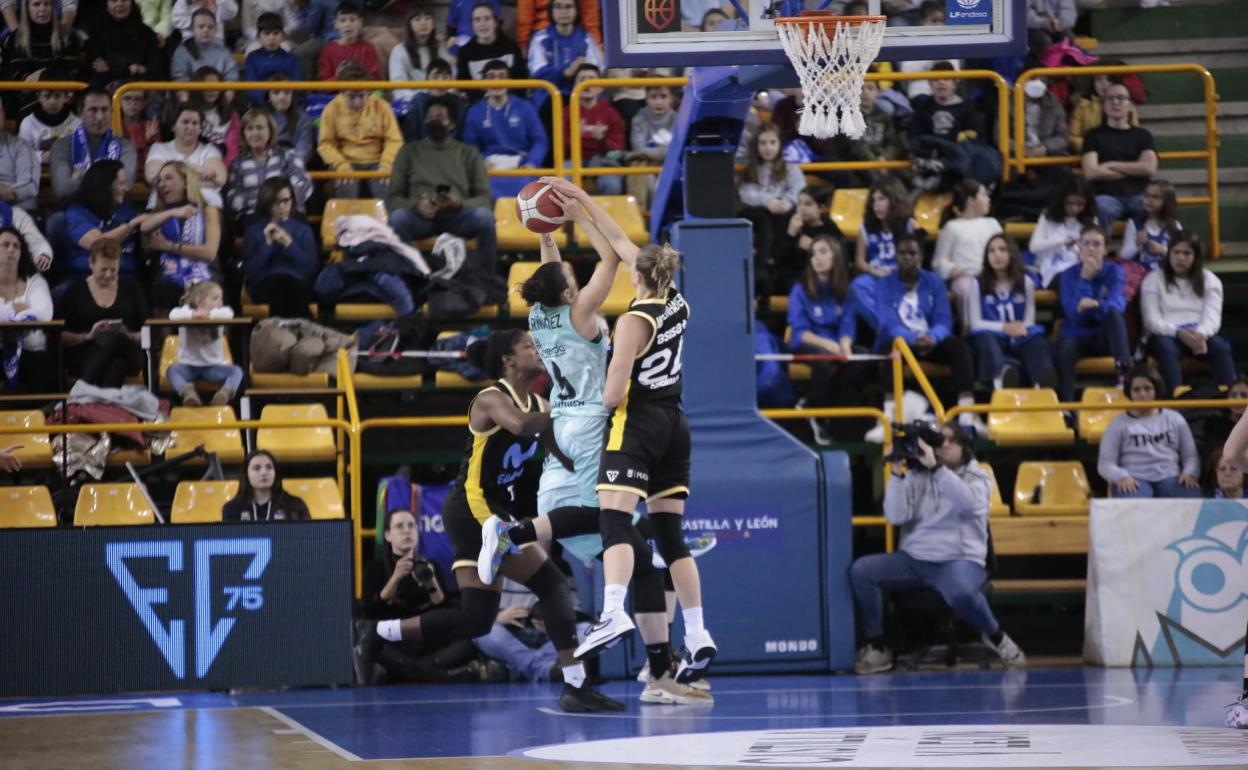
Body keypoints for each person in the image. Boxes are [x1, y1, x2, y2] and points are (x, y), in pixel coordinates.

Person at [482, 191, 709, 703]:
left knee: (630, 541)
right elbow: (611, 255)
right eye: (570, 279)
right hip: (592, 422)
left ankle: (658, 668)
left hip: (562, 426)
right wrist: (579, 211)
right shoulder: (585, 312)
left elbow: (555, 269)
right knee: (619, 532)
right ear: (568, 292)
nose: (574, 278)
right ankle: (656, 666)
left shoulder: (541, 317)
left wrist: (546, 229)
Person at [358, 329, 625, 712]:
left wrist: (592, 471)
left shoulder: (536, 403)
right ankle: (575, 686)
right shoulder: (490, 399)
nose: (536, 350)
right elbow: (520, 425)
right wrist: (574, 409)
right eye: (528, 346)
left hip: (496, 510)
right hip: (473, 510)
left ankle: (378, 631)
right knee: (549, 582)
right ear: (508, 359)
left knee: (477, 620)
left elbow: (560, 450)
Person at [850, 424, 1026, 674]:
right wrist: (898, 475)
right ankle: (877, 645)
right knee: (862, 571)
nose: (942, 446)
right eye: (937, 442)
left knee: (962, 592)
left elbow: (967, 505)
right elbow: (896, 516)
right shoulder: (916, 475)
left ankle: (995, 636)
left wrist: (937, 469)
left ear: (965, 448)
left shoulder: (979, 477)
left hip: (959, 560)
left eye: (949, 441)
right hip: (914, 559)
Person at [361, 509, 502, 683]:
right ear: (388, 535)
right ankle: (448, 674)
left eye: (411, 526)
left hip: (425, 640)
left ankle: (412, 670)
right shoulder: (374, 567)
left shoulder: (428, 565)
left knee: (470, 640)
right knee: (372, 645)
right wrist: (395, 578)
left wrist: (431, 584)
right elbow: (371, 611)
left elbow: (442, 611)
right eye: (399, 526)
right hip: (394, 639)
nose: (407, 531)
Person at [876, 231, 983, 434]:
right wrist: (913, 338)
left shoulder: (934, 282)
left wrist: (933, 336)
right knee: (887, 350)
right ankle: (888, 417)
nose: (907, 257)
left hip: (932, 340)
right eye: (902, 253)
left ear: (921, 257)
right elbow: (887, 322)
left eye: (912, 253)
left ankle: (968, 414)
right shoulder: (884, 284)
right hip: (903, 342)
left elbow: (944, 318)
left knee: (959, 347)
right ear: (895, 256)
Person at [386, 96, 497, 273]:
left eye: (439, 117)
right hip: (421, 218)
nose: (433, 121)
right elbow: (393, 198)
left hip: (457, 217)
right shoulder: (408, 152)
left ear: (452, 124)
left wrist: (459, 203)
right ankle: (411, 276)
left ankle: (486, 278)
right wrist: (415, 206)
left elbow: (484, 198)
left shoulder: (469, 153)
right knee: (397, 219)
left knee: (485, 218)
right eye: (429, 117)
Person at [1140, 232, 1233, 397]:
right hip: (1167, 334)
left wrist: (1200, 334)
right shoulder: (1153, 279)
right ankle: (1175, 402)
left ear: (1196, 256)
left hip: (1200, 334)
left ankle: (1229, 401)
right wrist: (1178, 332)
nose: (1180, 258)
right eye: (1176, 252)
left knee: (1220, 347)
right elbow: (1151, 321)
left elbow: (1213, 317)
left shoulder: (1210, 280)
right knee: (1165, 348)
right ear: (1169, 253)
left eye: (1187, 253)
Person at [788, 235, 860, 446]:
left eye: (822, 252)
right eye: (813, 254)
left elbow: (847, 324)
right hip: (808, 342)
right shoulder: (799, 289)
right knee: (822, 360)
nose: (816, 258)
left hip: (836, 343)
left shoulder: (846, 290)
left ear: (835, 257)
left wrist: (845, 345)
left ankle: (823, 404)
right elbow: (800, 331)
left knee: (861, 358)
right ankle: (817, 414)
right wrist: (831, 346)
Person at [966, 234, 1057, 390]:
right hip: (993, 335)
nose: (997, 255)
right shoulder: (977, 283)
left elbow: (1029, 319)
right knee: (985, 339)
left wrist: (1019, 329)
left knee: (1036, 340)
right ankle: (1000, 378)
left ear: (1012, 253)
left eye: (1002, 250)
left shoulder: (1026, 282)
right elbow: (975, 323)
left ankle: (1042, 384)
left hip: (1019, 335)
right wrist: (1004, 327)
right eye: (992, 251)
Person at [1097, 364, 1201, 499]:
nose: (1142, 394)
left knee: (1192, 499)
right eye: (1136, 390)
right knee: (1134, 505)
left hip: (1171, 478)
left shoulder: (1175, 419)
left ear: (1156, 390)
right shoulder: (1117, 424)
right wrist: (1121, 477)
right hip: (1133, 480)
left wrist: (1190, 473)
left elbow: (1190, 456)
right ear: (1130, 393)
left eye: (1147, 388)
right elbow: (1105, 463)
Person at [58, 237, 148, 388]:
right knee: (117, 365)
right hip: (85, 353)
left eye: (113, 270)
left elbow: (149, 333)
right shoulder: (75, 291)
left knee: (115, 338)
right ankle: (101, 406)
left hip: (129, 349)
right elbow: (59, 335)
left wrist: (128, 334)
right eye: (103, 269)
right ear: (91, 264)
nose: (108, 275)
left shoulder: (132, 288)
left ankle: (81, 389)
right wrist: (88, 336)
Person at [1055, 224, 1132, 402]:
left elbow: (1118, 305)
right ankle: (1066, 407)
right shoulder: (1067, 275)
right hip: (1077, 335)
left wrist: (1096, 305)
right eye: (1086, 243)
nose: (1090, 248)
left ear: (1105, 249)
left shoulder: (1115, 271)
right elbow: (1074, 316)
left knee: (1114, 315)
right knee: (1066, 348)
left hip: (1105, 335)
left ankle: (1123, 377)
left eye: (1096, 244)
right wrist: (1085, 279)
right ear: (1079, 248)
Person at [142, 160, 222, 314]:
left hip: (204, 272)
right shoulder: (157, 215)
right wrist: (172, 212)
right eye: (159, 180)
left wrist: (170, 247)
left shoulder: (208, 211)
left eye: (168, 178)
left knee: (210, 291)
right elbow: (145, 227)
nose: (161, 184)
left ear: (186, 182)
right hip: (169, 273)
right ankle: (164, 339)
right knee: (162, 289)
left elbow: (209, 253)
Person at [461, 58, 548, 199]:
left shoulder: (525, 107)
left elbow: (540, 140)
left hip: (521, 164)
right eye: (491, 77)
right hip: (491, 167)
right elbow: (471, 147)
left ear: (510, 81)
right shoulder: (474, 111)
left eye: (502, 76)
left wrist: (532, 162)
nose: (497, 81)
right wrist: (481, 162)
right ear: (483, 83)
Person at [317, 62, 403, 199]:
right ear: (342, 92)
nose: (357, 102)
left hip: (378, 162)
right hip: (345, 162)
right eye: (351, 97)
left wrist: (386, 164)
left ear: (369, 92)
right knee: (347, 192)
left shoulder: (382, 106)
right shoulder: (331, 108)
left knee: (386, 192)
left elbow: (394, 140)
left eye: (362, 96)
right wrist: (341, 165)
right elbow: (325, 144)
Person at [739, 123, 805, 297]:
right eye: (763, 143)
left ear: (779, 144)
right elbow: (746, 192)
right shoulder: (752, 167)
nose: (768, 148)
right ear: (757, 145)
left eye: (772, 143)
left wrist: (787, 202)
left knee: (790, 217)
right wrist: (767, 201)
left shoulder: (790, 168)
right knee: (762, 218)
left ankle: (779, 265)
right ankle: (762, 266)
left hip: (783, 210)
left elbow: (799, 189)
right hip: (759, 212)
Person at [1081, 81, 1157, 229]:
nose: (1115, 102)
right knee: (1102, 208)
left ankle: (1146, 251)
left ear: (1129, 105)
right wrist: (1134, 169)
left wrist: (1111, 165)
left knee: (1153, 205)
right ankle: (1100, 250)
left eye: (1121, 98)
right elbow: (1091, 172)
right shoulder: (1093, 135)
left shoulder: (1143, 135)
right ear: (1103, 106)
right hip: (1105, 196)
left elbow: (1149, 168)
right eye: (1110, 98)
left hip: (1139, 195)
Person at [241, 177, 317, 318]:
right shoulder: (254, 231)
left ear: (292, 200)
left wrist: (289, 244)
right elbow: (250, 272)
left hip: (296, 283)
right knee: (282, 286)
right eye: (276, 202)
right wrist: (268, 244)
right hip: (265, 284)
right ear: (266, 202)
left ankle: (278, 334)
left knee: (288, 287)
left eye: (286, 201)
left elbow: (309, 269)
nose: (282, 206)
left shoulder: (303, 230)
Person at [61, 159, 145, 284]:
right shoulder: (77, 213)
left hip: (126, 280)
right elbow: (98, 244)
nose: (126, 188)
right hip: (83, 280)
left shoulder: (128, 211)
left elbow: (148, 222)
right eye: (121, 184)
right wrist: (130, 225)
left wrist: (172, 213)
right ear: (105, 186)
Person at [932, 179, 1003, 325]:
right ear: (971, 200)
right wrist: (952, 269)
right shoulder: (952, 227)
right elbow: (938, 261)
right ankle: (971, 327)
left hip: (992, 275)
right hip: (966, 278)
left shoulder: (992, 224)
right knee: (969, 290)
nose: (988, 199)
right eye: (983, 195)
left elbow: (1005, 251)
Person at [225, 109, 313, 226]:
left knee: (295, 224)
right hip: (253, 215)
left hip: (286, 212)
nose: (255, 133)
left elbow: (304, 185)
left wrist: (280, 204)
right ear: (244, 133)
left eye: (260, 128)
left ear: (270, 131)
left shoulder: (287, 156)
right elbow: (233, 198)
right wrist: (266, 202)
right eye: (250, 129)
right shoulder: (237, 164)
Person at [0, 0, 87, 115]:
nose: (42, 9)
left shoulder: (68, 37)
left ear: (53, 8)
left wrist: (43, 75)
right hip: (26, 99)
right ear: (27, 9)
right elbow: (11, 74)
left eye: (47, 4)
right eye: (36, 4)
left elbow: (74, 71)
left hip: (62, 97)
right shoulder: (14, 38)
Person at [49, 89, 137, 204]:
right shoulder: (61, 146)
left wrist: (79, 176)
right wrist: (109, 179)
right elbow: (63, 189)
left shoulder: (126, 147)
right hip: (73, 209)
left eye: (105, 110)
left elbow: (125, 185)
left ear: (112, 112)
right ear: (80, 112)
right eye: (93, 110)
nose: (100, 117)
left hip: (114, 210)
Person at [850, 176, 914, 332]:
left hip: (901, 276)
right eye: (874, 200)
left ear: (895, 199)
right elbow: (860, 261)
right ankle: (888, 328)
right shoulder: (867, 227)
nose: (876, 205)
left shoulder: (909, 225)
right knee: (857, 286)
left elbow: (915, 258)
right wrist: (874, 271)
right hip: (875, 277)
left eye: (882, 199)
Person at [166, 280, 241, 405]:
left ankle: (223, 394)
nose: (220, 303)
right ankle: (188, 393)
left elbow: (229, 314)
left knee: (236, 371)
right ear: (200, 301)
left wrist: (208, 315)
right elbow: (172, 314)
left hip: (213, 367)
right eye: (215, 299)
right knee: (171, 370)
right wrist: (193, 315)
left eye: (221, 299)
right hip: (188, 367)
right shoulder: (185, 312)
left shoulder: (220, 313)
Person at [0, 227, 54, 392]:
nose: (11, 250)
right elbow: (34, 313)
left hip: (32, 353)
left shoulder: (35, 281)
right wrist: (19, 308)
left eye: (16, 246)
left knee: (43, 367)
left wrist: (5, 312)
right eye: (5, 245)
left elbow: (45, 313)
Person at [145, 105, 227, 209]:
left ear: (200, 128)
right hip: (164, 209)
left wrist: (172, 178)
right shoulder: (158, 149)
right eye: (185, 122)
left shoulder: (210, 150)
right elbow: (152, 177)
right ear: (173, 126)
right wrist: (199, 171)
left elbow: (220, 179)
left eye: (195, 123)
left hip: (205, 209)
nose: (190, 127)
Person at [564, 63, 625, 196]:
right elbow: (559, 149)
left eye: (591, 79)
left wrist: (602, 140)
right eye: (582, 79)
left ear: (600, 87)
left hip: (603, 161)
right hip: (574, 161)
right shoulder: (565, 113)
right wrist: (575, 138)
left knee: (612, 184)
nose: (587, 84)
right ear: (575, 86)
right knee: (563, 180)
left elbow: (618, 148)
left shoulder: (611, 113)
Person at [1029, 175, 1098, 289]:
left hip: (1081, 266)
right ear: (1061, 200)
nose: (1074, 209)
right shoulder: (1048, 216)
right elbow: (1033, 246)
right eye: (1069, 203)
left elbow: (1095, 247)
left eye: (1080, 204)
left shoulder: (1091, 219)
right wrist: (1062, 242)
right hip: (1053, 269)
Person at [526, 0, 604, 96]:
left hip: (581, 93)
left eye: (568, 6)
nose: (563, 11)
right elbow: (537, 72)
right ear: (551, 11)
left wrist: (582, 70)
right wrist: (565, 72)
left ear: (576, 10)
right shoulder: (540, 38)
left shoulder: (586, 38)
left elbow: (596, 70)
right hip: (548, 95)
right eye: (558, 7)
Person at [84, 0, 166, 89]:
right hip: (105, 89)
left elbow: (155, 71)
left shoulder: (146, 33)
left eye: (124, 0)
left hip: (141, 89)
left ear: (132, 3)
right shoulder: (96, 31)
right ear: (107, 4)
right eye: (114, 1)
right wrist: (132, 69)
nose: (120, 4)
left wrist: (112, 67)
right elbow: (97, 70)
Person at [222, 449, 311, 520]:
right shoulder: (232, 509)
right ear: (246, 474)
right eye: (257, 468)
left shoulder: (294, 505)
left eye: (269, 467)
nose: (264, 472)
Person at [389, 5, 452, 105]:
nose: (423, 23)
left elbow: (451, 79)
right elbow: (398, 86)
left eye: (428, 18)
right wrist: (422, 97)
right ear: (409, 24)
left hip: (440, 99)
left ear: (433, 24)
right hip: (412, 102)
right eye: (417, 19)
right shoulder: (399, 51)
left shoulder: (441, 48)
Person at [626, 85, 676, 209]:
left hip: (671, 163)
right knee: (644, 173)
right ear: (646, 99)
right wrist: (665, 151)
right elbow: (638, 148)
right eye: (653, 97)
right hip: (647, 163)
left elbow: (677, 150)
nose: (658, 101)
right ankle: (642, 218)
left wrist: (656, 152)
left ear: (671, 99)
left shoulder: (679, 118)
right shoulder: (638, 119)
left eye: (663, 97)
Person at [1069, 66, 1139, 154]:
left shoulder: (1128, 106)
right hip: (1091, 157)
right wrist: (1096, 148)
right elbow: (1073, 138)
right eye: (1099, 79)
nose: (1104, 84)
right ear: (1092, 82)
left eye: (1109, 79)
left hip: (1122, 156)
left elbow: (1135, 136)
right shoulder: (1083, 106)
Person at [455, 2, 526, 82]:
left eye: (487, 18)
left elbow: (521, 81)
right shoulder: (464, 52)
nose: (482, 24)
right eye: (477, 20)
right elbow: (464, 87)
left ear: (495, 23)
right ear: (472, 25)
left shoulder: (512, 46)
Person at [1119, 178, 1180, 271]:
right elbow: (1124, 256)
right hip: (1140, 274)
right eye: (1146, 196)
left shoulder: (1175, 226)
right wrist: (1136, 244)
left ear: (1167, 201)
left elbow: (1181, 254)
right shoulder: (1134, 224)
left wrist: (1162, 250)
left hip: (1167, 273)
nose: (1149, 200)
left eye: (1156, 197)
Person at [783, 186, 846, 276]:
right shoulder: (792, 224)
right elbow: (781, 260)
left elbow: (842, 255)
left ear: (822, 208)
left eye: (808, 204)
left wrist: (813, 246)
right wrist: (791, 234)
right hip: (796, 275)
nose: (801, 208)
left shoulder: (829, 227)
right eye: (799, 203)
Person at [242, 12, 301, 103]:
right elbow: (251, 88)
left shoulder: (292, 59)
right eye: (267, 33)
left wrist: (282, 98)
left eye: (276, 33)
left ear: (283, 36)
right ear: (258, 37)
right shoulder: (252, 58)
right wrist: (269, 99)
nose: (271, 38)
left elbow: (298, 87)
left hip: (287, 105)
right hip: (260, 107)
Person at [188, 66, 241, 165]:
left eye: (216, 86)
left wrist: (223, 168)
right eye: (207, 86)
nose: (212, 90)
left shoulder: (230, 114)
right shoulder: (188, 113)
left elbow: (232, 149)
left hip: (222, 166)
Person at [317, 2, 381, 81]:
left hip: (363, 91)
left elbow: (375, 79)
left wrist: (358, 76)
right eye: (343, 20)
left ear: (360, 23)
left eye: (352, 20)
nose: (347, 24)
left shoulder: (367, 48)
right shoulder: (328, 50)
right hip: (337, 92)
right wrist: (337, 76)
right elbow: (323, 85)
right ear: (336, 24)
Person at [18, 86, 81, 166]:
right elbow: (21, 155)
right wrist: (41, 156)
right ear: (39, 97)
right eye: (47, 96)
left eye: (57, 96)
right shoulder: (28, 123)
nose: (52, 101)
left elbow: (83, 153)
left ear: (66, 97)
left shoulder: (77, 123)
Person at [171, 9, 237, 81]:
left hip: (219, 91)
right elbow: (180, 82)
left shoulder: (224, 52)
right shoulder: (181, 52)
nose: (205, 30)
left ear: (215, 29)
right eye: (201, 26)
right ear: (192, 29)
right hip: (192, 92)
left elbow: (231, 79)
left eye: (210, 27)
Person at [0, 103, 40, 213]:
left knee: (28, 204)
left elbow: (31, 184)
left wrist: (10, 192)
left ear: (3, 115)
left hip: (12, 206)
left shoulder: (21, 145)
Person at [516, 0, 600, 52]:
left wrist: (597, 44)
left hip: (575, 32)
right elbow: (525, 18)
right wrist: (523, 45)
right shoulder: (539, 39)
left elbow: (591, 18)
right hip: (542, 32)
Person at [266, 81, 316, 164]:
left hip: (293, 168)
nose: (282, 97)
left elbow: (303, 151)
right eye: (276, 93)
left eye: (287, 93)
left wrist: (290, 167)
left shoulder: (303, 119)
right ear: (268, 97)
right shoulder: (261, 118)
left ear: (292, 96)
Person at [118, 91, 161, 171]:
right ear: (119, 102)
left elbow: (155, 162)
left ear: (144, 104)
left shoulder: (151, 126)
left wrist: (150, 143)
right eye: (127, 98)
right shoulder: (112, 125)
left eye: (138, 99)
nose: (132, 103)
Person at [171, 0, 238, 47]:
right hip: (191, 42)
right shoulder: (183, 2)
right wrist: (196, 23)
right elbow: (176, 20)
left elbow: (231, 13)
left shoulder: (220, 2)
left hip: (216, 42)